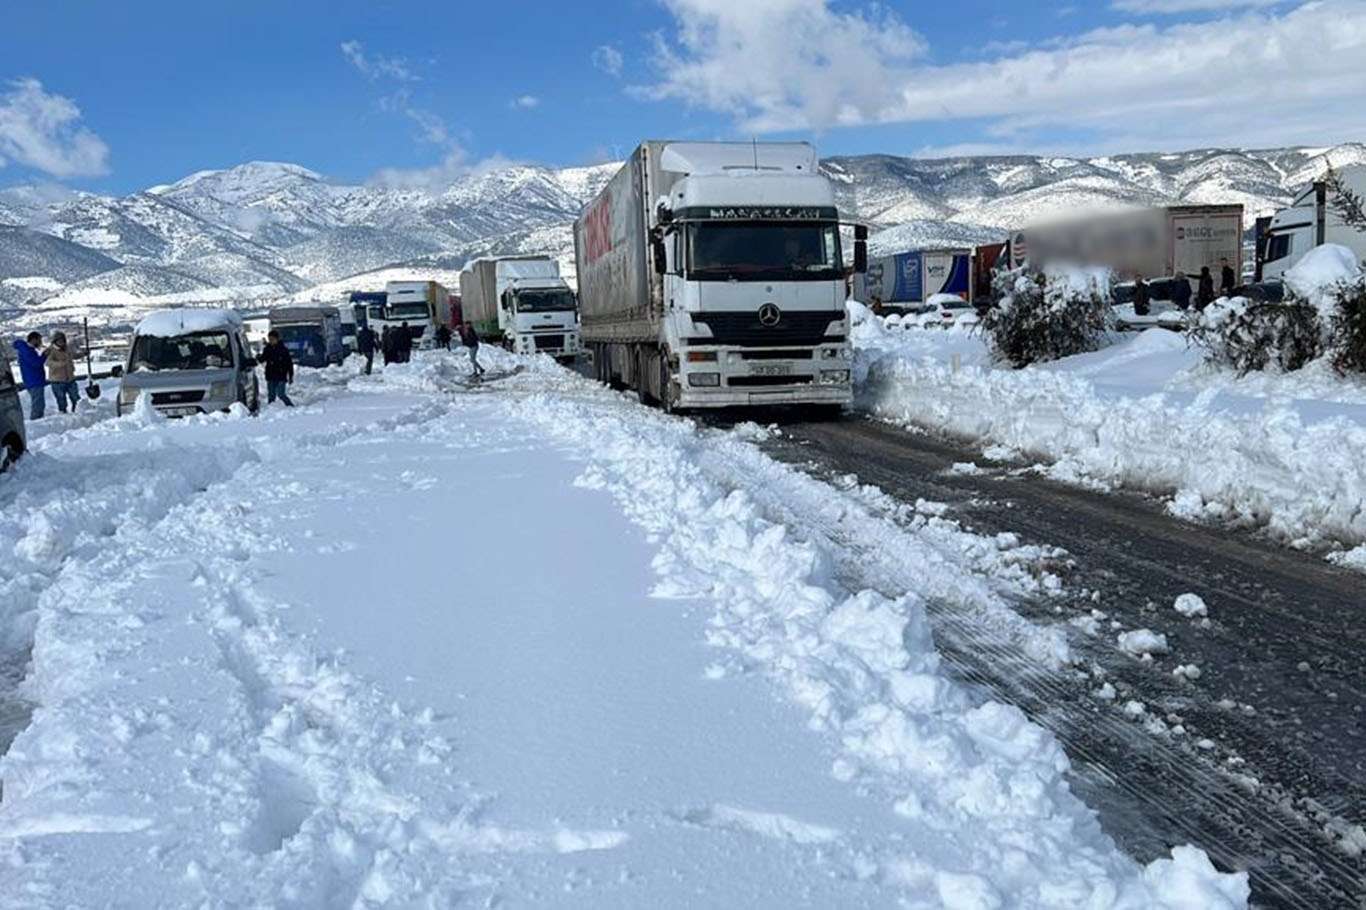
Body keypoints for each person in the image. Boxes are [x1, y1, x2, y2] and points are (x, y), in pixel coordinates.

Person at [12, 332, 48, 420]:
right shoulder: (27, 350)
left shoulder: (27, 349)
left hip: (32, 380)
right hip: (34, 381)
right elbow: (36, 363)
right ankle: (36, 422)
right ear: (34, 339)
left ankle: (38, 421)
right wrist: (44, 355)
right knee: (38, 404)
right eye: (39, 340)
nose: (40, 342)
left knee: (39, 403)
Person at [258, 330, 295, 407]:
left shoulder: (283, 350)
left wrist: (290, 376)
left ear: (277, 339)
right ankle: (271, 409)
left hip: (281, 375)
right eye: (269, 339)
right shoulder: (267, 349)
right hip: (270, 375)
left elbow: (289, 364)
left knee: (281, 394)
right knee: (271, 395)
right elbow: (263, 359)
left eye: (272, 339)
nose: (271, 341)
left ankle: (290, 406)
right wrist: (258, 358)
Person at [46, 332, 79, 413]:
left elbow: (73, 356)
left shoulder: (67, 349)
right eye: (59, 340)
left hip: (70, 378)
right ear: (55, 341)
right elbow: (48, 363)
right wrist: (60, 364)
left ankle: (77, 412)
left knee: (76, 398)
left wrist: (82, 354)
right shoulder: (50, 350)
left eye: (62, 340)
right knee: (61, 400)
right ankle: (63, 415)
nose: (61, 342)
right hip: (57, 380)